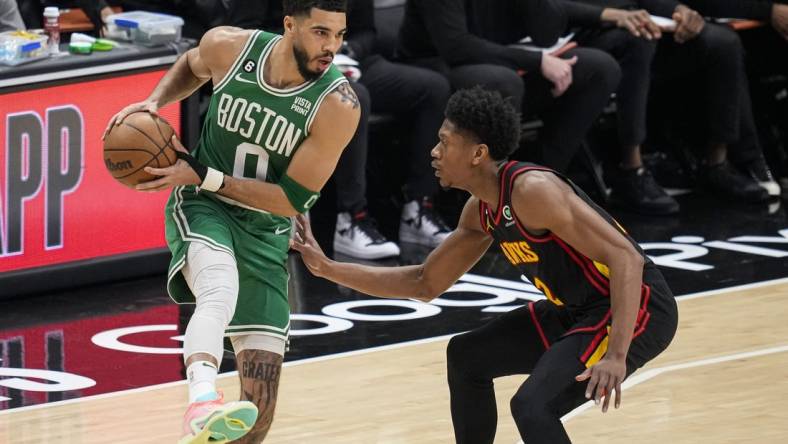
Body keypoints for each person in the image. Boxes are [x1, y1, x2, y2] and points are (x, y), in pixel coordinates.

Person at [292, 87, 679, 444]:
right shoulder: (482, 210)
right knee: (466, 358)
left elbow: (626, 257)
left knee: (532, 406)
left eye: (444, 142)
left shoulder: (533, 192)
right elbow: (425, 282)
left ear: (477, 154)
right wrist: (327, 268)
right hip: (577, 311)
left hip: (634, 306)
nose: (434, 152)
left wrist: (616, 355)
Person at [103, 1, 359, 442]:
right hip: (204, 204)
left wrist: (206, 174)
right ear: (289, 26)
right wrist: (155, 101)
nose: (331, 47)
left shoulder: (337, 105)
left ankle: (212, 423)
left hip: (266, 230)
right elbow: (191, 64)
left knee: (253, 419)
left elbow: (290, 200)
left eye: (338, 35)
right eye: (320, 33)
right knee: (219, 288)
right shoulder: (230, 48)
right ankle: (201, 399)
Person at [563, 0, 776, 211]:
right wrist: (613, 15)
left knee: (723, 42)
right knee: (639, 39)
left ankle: (717, 163)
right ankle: (631, 170)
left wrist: (679, 10)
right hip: (583, 29)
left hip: (639, 18)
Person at [396, 0, 621, 174]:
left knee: (598, 68)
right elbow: (456, 46)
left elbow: (546, 34)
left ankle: (542, 178)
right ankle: (492, 198)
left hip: (495, 57)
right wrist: (537, 62)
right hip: (436, 64)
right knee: (502, 81)